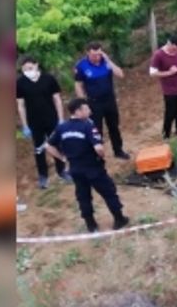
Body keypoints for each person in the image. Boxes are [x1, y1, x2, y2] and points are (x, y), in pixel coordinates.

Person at [46, 98, 130, 233]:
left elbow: (48, 146)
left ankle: (91, 225)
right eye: (87, 109)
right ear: (78, 111)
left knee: (83, 196)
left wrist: (63, 158)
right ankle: (119, 219)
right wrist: (102, 156)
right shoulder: (88, 126)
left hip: (75, 169)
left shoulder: (61, 128)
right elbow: (98, 148)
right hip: (93, 168)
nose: (90, 111)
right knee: (109, 192)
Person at [15, 55, 68, 190]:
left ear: (36, 65)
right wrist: (25, 125)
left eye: (30, 68)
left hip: (51, 119)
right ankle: (43, 176)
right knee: (39, 149)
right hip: (34, 121)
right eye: (25, 69)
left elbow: (57, 99)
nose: (28, 71)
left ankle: (61, 171)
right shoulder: (20, 83)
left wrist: (61, 119)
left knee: (56, 145)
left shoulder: (48, 79)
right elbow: (20, 105)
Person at [73, 42, 130, 160]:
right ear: (88, 53)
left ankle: (118, 150)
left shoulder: (106, 62)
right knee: (96, 129)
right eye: (94, 55)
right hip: (93, 102)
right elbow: (78, 84)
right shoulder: (81, 66)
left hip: (109, 100)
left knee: (114, 126)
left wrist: (108, 60)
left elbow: (120, 74)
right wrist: (82, 102)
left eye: (99, 54)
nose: (97, 57)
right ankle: (97, 155)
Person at [149, 35, 177, 140]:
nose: (176, 51)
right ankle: (166, 134)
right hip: (169, 90)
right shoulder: (158, 55)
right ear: (170, 44)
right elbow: (152, 73)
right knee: (170, 112)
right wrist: (169, 72)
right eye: (175, 48)